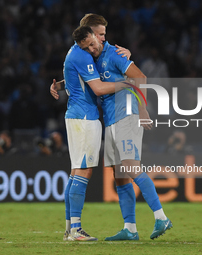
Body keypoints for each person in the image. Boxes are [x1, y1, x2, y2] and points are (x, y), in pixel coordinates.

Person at [52, 14, 172, 241]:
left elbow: (141, 77)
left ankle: (161, 217)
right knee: (120, 175)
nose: (102, 39)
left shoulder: (115, 53)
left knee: (130, 166)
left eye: (103, 35)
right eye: (99, 35)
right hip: (110, 119)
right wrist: (60, 84)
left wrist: (143, 109)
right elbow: (83, 77)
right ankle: (130, 229)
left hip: (127, 113)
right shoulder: (91, 56)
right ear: (88, 35)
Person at [62, 25, 129, 241]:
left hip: (76, 116)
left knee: (75, 172)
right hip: (84, 118)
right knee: (83, 171)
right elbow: (99, 89)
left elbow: (81, 76)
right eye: (88, 46)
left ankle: (69, 228)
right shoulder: (82, 56)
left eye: (93, 43)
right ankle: (75, 230)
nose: (92, 48)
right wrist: (126, 83)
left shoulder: (74, 52)